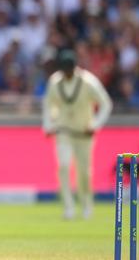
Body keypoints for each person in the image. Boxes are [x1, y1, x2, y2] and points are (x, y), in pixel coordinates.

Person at [42, 49, 112, 220]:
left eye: (69, 69)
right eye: (64, 69)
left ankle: (86, 204)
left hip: (83, 133)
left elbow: (106, 104)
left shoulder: (88, 82)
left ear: (74, 67)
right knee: (64, 167)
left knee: (84, 172)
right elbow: (48, 104)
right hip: (64, 131)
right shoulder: (55, 82)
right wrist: (48, 125)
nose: (67, 72)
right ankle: (69, 207)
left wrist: (95, 124)